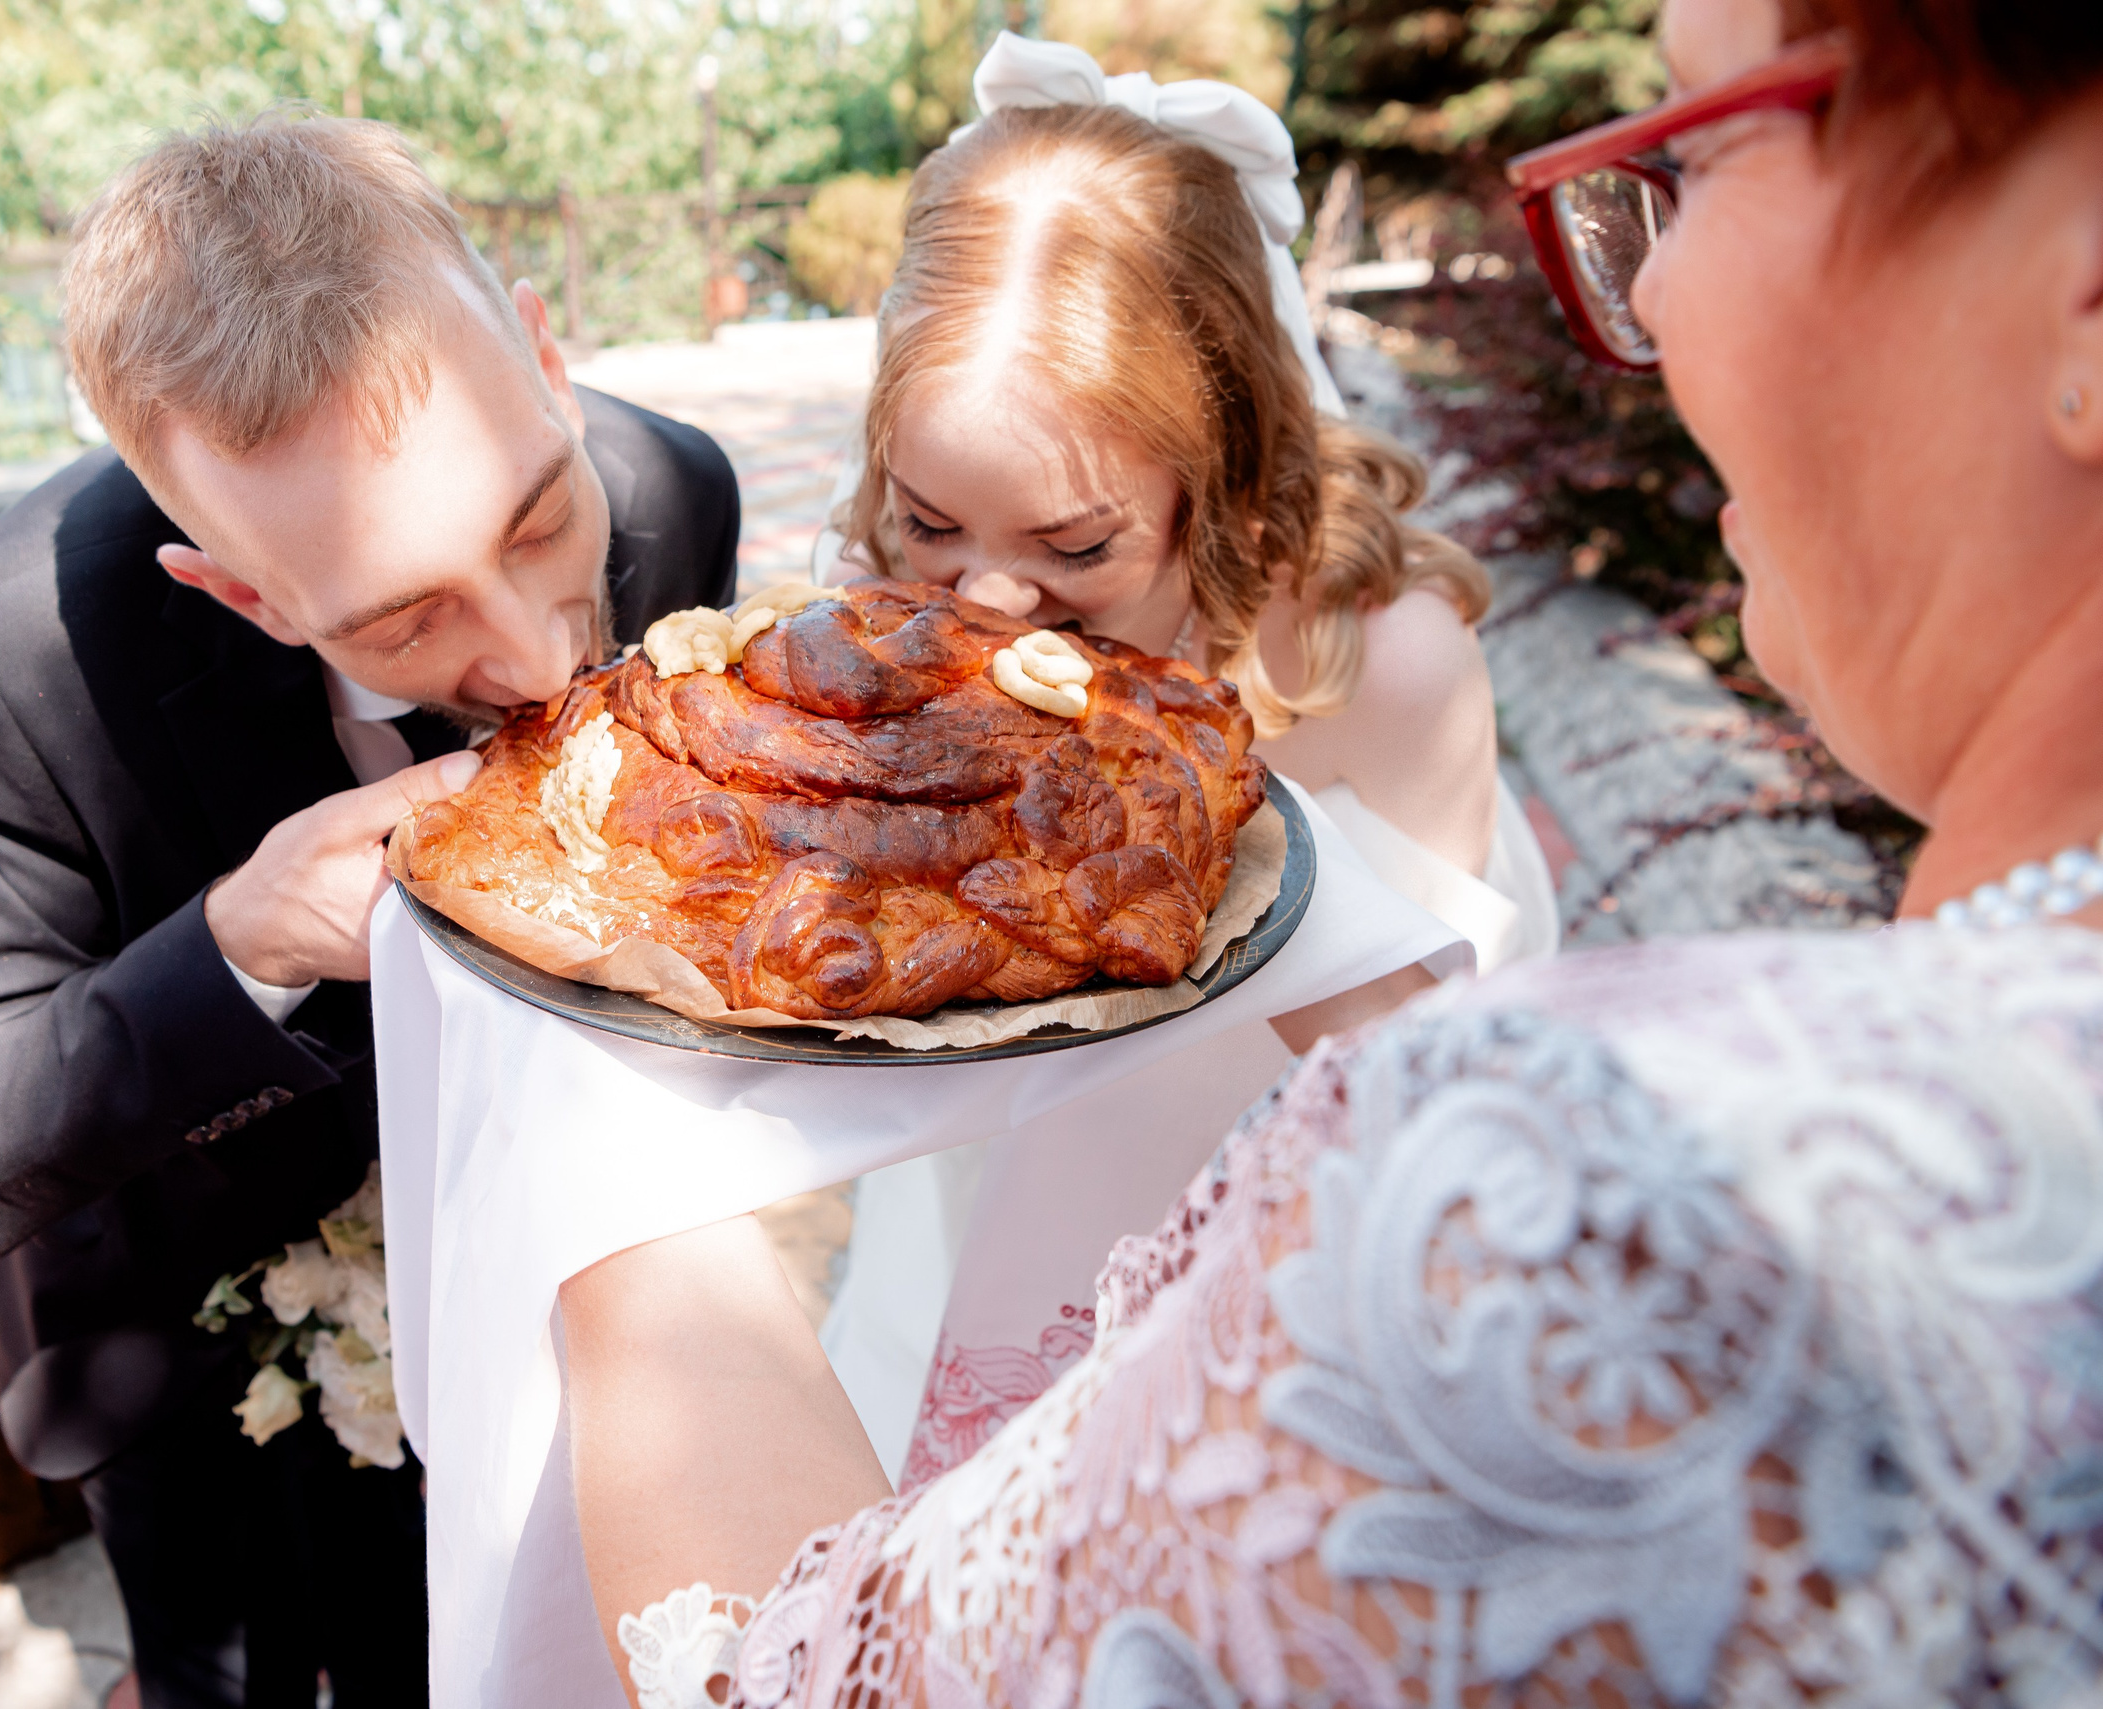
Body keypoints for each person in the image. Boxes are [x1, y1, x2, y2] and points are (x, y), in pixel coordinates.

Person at [560, 0, 2103, 1699]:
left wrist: (600, 1197)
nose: (1645, 284)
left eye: (1705, 138)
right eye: (930, 529)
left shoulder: (1533, 1169)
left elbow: (825, 1671)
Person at [0, 117, 738, 1709]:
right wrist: (246, 939)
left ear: (540, 347)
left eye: (539, 522)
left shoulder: (673, 484)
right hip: (196, 1348)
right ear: (239, 591)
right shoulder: (14, 648)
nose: (542, 662)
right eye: (407, 617)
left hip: (541, 1287)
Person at [816, 35, 1553, 1486]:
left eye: (1076, 546)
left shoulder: (1378, 669)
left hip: (1285, 1311)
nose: (986, 603)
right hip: (970, 1256)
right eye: (931, 521)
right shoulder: (886, 607)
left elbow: (1410, 1106)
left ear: (1216, 459)